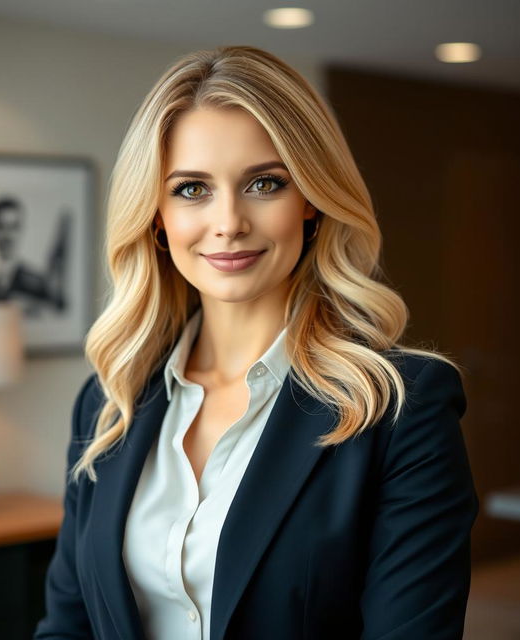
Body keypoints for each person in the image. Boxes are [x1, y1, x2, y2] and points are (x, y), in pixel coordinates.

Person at [34, 45, 479, 640]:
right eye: (192, 189)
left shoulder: (402, 406)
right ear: (156, 216)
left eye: (265, 183)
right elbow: (68, 626)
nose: (229, 221)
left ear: (312, 202)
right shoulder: (108, 401)